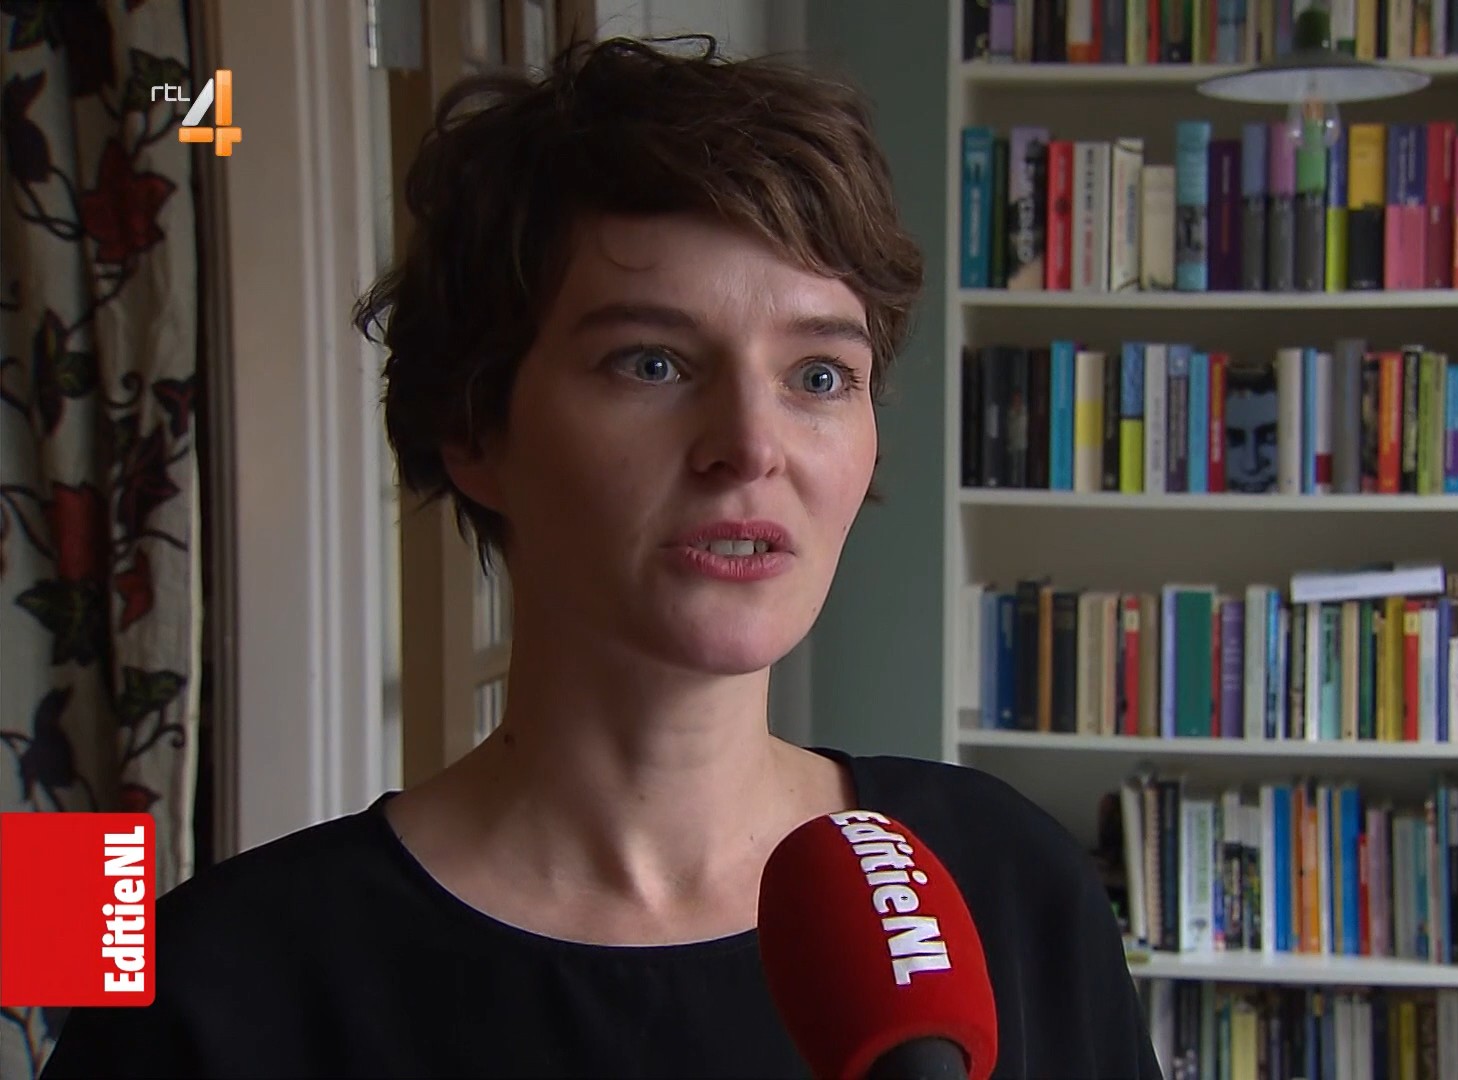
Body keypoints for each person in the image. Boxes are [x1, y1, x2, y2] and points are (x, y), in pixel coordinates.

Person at [41, 35, 1160, 1080]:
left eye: (818, 376)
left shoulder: (1006, 885)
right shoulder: (214, 988)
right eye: (652, 364)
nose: (751, 447)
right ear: (475, 430)